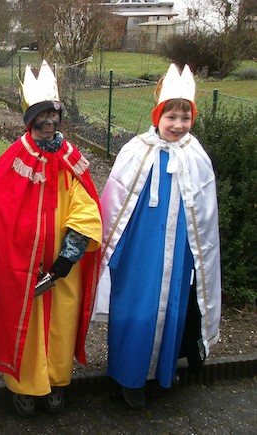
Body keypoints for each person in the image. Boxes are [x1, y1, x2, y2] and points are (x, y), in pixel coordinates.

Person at [0, 61, 102, 417]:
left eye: (53, 116)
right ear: (29, 119)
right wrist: (22, 261)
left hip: (64, 269)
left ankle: (56, 381)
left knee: (61, 323)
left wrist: (68, 256)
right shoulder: (12, 161)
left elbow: (85, 206)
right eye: (40, 117)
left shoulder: (70, 158)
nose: (48, 123)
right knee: (27, 326)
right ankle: (25, 386)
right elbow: (1, 218)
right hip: (26, 270)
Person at [95, 64, 221, 409]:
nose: (178, 125)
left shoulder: (196, 156)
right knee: (136, 308)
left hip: (177, 251)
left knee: (171, 309)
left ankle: (162, 372)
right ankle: (129, 377)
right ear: (157, 116)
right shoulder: (136, 150)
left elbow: (205, 218)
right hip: (139, 249)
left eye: (185, 117)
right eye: (171, 117)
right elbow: (115, 203)